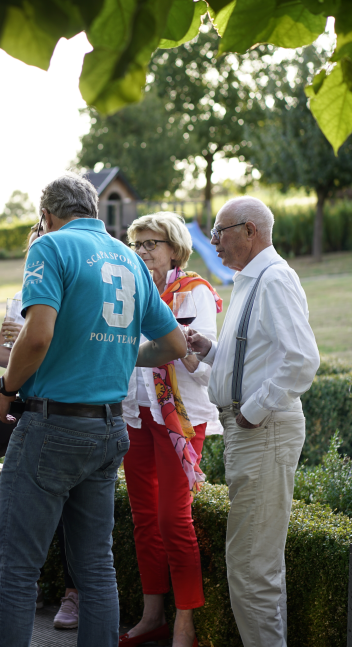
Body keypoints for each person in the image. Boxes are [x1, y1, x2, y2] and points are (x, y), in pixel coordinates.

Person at [0, 173, 187, 647]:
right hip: (108, 428)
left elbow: (36, 337)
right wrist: (115, 354)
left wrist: (5, 388)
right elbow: (173, 342)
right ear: (93, 209)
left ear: (48, 216)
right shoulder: (129, 257)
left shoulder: (51, 247)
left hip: (52, 425)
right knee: (97, 567)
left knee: (16, 569)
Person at [186, 196, 319, 647]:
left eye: (219, 231)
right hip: (255, 433)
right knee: (253, 567)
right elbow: (258, 357)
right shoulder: (250, 278)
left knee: (251, 569)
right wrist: (212, 350)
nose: (213, 240)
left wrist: (252, 411)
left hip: (264, 432)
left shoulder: (274, 277)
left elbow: (301, 360)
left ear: (250, 231)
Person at [115, 212, 223, 647]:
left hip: (180, 419)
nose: (141, 252)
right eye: (136, 245)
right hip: (137, 414)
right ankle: (152, 614)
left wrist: (179, 352)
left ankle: (185, 623)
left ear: (174, 248)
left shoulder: (195, 293)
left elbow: (204, 371)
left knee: (172, 518)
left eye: (150, 244)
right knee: (143, 519)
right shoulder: (131, 291)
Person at [0, 221, 41, 368]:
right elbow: (0, 357)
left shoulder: (67, 297)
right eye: (32, 250)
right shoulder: (19, 297)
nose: (36, 257)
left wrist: (25, 339)